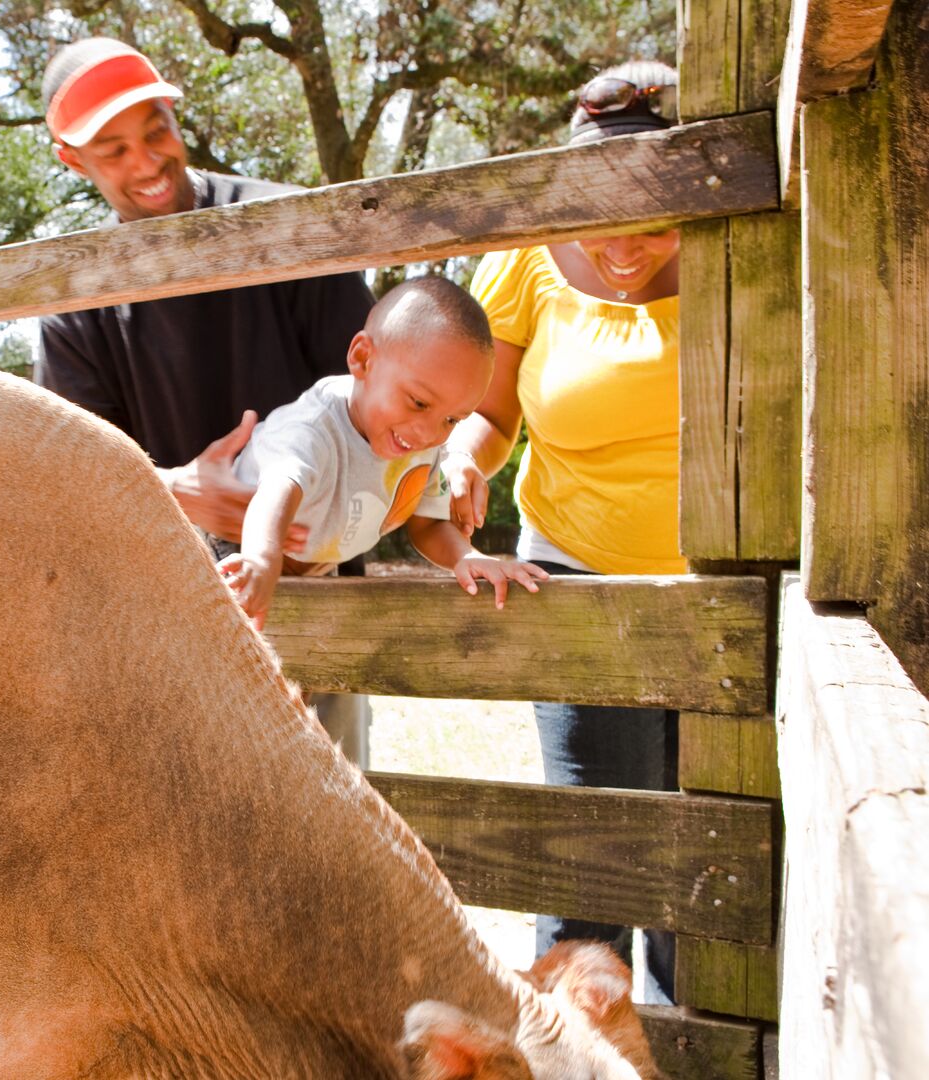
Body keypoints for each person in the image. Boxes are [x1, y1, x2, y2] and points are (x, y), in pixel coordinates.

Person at [34, 36, 376, 763]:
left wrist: (291, 505)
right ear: (72, 160)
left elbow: (374, 406)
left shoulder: (289, 228)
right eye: (113, 149)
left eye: (155, 130)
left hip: (313, 590)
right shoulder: (72, 297)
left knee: (333, 833)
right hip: (166, 614)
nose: (147, 163)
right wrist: (180, 491)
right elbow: (69, 473)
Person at [441, 59, 683, 1001]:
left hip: (731, 585)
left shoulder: (748, 246)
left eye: (653, 226)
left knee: (704, 871)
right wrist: (466, 456)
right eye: (600, 224)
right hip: (574, 576)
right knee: (590, 864)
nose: (623, 252)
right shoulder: (524, 259)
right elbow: (491, 415)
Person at [218, 276, 549, 628]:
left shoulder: (424, 442)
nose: (429, 433)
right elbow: (277, 490)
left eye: (452, 419)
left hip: (306, 566)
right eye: (418, 402)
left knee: (297, 662)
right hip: (236, 549)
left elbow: (429, 524)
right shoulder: (315, 427)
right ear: (363, 359)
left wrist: (466, 556)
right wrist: (261, 559)